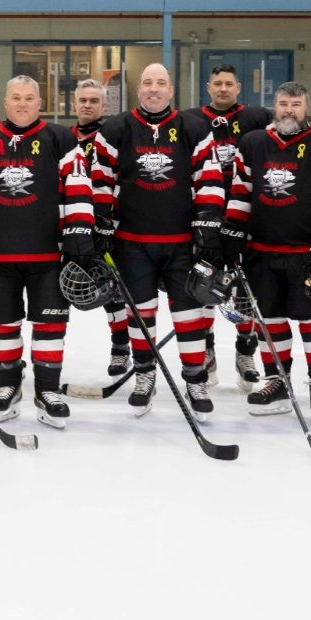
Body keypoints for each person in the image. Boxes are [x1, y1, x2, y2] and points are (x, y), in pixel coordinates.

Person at [0, 75, 95, 427]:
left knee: (50, 323)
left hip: (48, 255)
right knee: (2, 323)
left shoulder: (60, 139)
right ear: (5, 103)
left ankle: (47, 390)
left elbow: (78, 185)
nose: (23, 103)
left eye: (29, 98)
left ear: (40, 103)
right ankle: (8, 385)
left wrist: (78, 231)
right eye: (16, 97)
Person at [90, 63, 224, 419]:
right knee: (140, 311)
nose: (153, 89)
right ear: (139, 90)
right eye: (147, 82)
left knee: (189, 313)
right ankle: (144, 375)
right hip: (132, 241)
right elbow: (100, 179)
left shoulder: (194, 128)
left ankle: (195, 378)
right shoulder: (116, 128)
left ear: (171, 90)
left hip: (181, 242)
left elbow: (210, 178)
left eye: (160, 83)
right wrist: (102, 223)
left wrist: (208, 224)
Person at [223, 82, 311, 416]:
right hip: (261, 251)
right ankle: (277, 382)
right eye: (283, 104)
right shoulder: (253, 143)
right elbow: (241, 192)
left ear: (306, 108)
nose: (289, 110)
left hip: (309, 253)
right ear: (275, 107)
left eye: (296, 104)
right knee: (270, 319)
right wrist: (232, 234)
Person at [186, 64, 272, 390]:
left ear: (238, 88)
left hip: (246, 215)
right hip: (204, 215)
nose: (223, 89)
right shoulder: (192, 120)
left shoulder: (257, 118)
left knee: (245, 288)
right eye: (217, 83)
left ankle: (245, 351)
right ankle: (206, 351)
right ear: (208, 87)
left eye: (229, 84)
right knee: (205, 284)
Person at [70, 77, 130, 379]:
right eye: (83, 100)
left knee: (112, 289)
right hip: (71, 225)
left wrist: (108, 220)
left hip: (106, 225)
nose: (88, 105)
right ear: (74, 104)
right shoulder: (63, 138)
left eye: (94, 101)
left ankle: (121, 347)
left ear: (104, 105)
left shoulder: (114, 137)